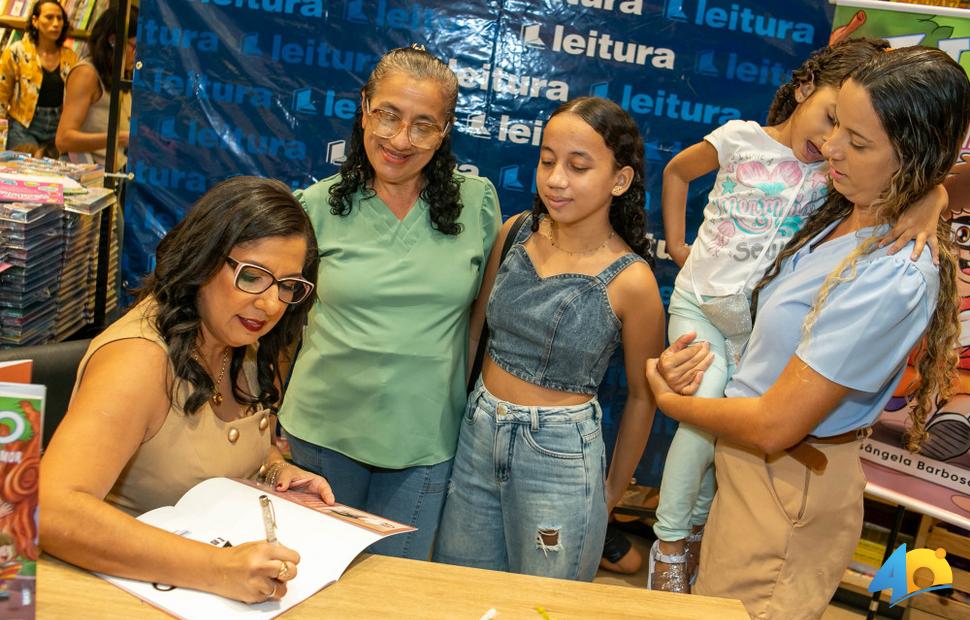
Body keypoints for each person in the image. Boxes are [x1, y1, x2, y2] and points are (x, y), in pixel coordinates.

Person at [646, 46, 969, 619]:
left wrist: (671, 400)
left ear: (913, 158)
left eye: (860, 142)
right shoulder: (841, 206)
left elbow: (775, 423)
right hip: (751, 475)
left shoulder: (889, 271)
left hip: (785, 486)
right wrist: (933, 194)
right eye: (838, 122)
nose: (832, 146)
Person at [40, 176, 335, 604]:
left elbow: (224, 443)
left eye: (288, 286)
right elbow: (50, 509)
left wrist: (275, 471)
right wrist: (218, 570)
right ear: (203, 260)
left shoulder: (241, 341)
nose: (271, 304)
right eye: (253, 276)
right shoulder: (138, 361)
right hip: (118, 595)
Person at [277, 45, 501, 560]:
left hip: (425, 442)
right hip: (320, 436)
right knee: (312, 583)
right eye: (388, 115)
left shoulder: (478, 203)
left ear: (445, 132)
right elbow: (279, 326)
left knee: (395, 596)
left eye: (424, 125)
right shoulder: (315, 208)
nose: (401, 140)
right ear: (363, 108)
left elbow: (478, 325)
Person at [432, 96, 665, 581]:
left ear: (619, 180)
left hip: (559, 455)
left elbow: (645, 395)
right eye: (547, 161)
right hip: (478, 433)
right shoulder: (515, 232)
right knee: (458, 591)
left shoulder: (632, 280)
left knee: (544, 605)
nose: (556, 179)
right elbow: (476, 334)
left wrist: (611, 493)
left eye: (579, 167)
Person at [55, 5, 136, 166]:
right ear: (113, 41)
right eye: (134, 47)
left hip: (110, 172)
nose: (138, 55)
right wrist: (121, 138)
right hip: (87, 178)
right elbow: (64, 139)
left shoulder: (120, 73)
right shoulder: (87, 74)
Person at [0, 1, 77, 157]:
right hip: (23, 127)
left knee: (56, 177)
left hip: (58, 129)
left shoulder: (71, 57)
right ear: (35, 21)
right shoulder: (16, 52)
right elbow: (1, 94)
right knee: (24, 175)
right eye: (49, 17)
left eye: (60, 18)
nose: (56, 23)